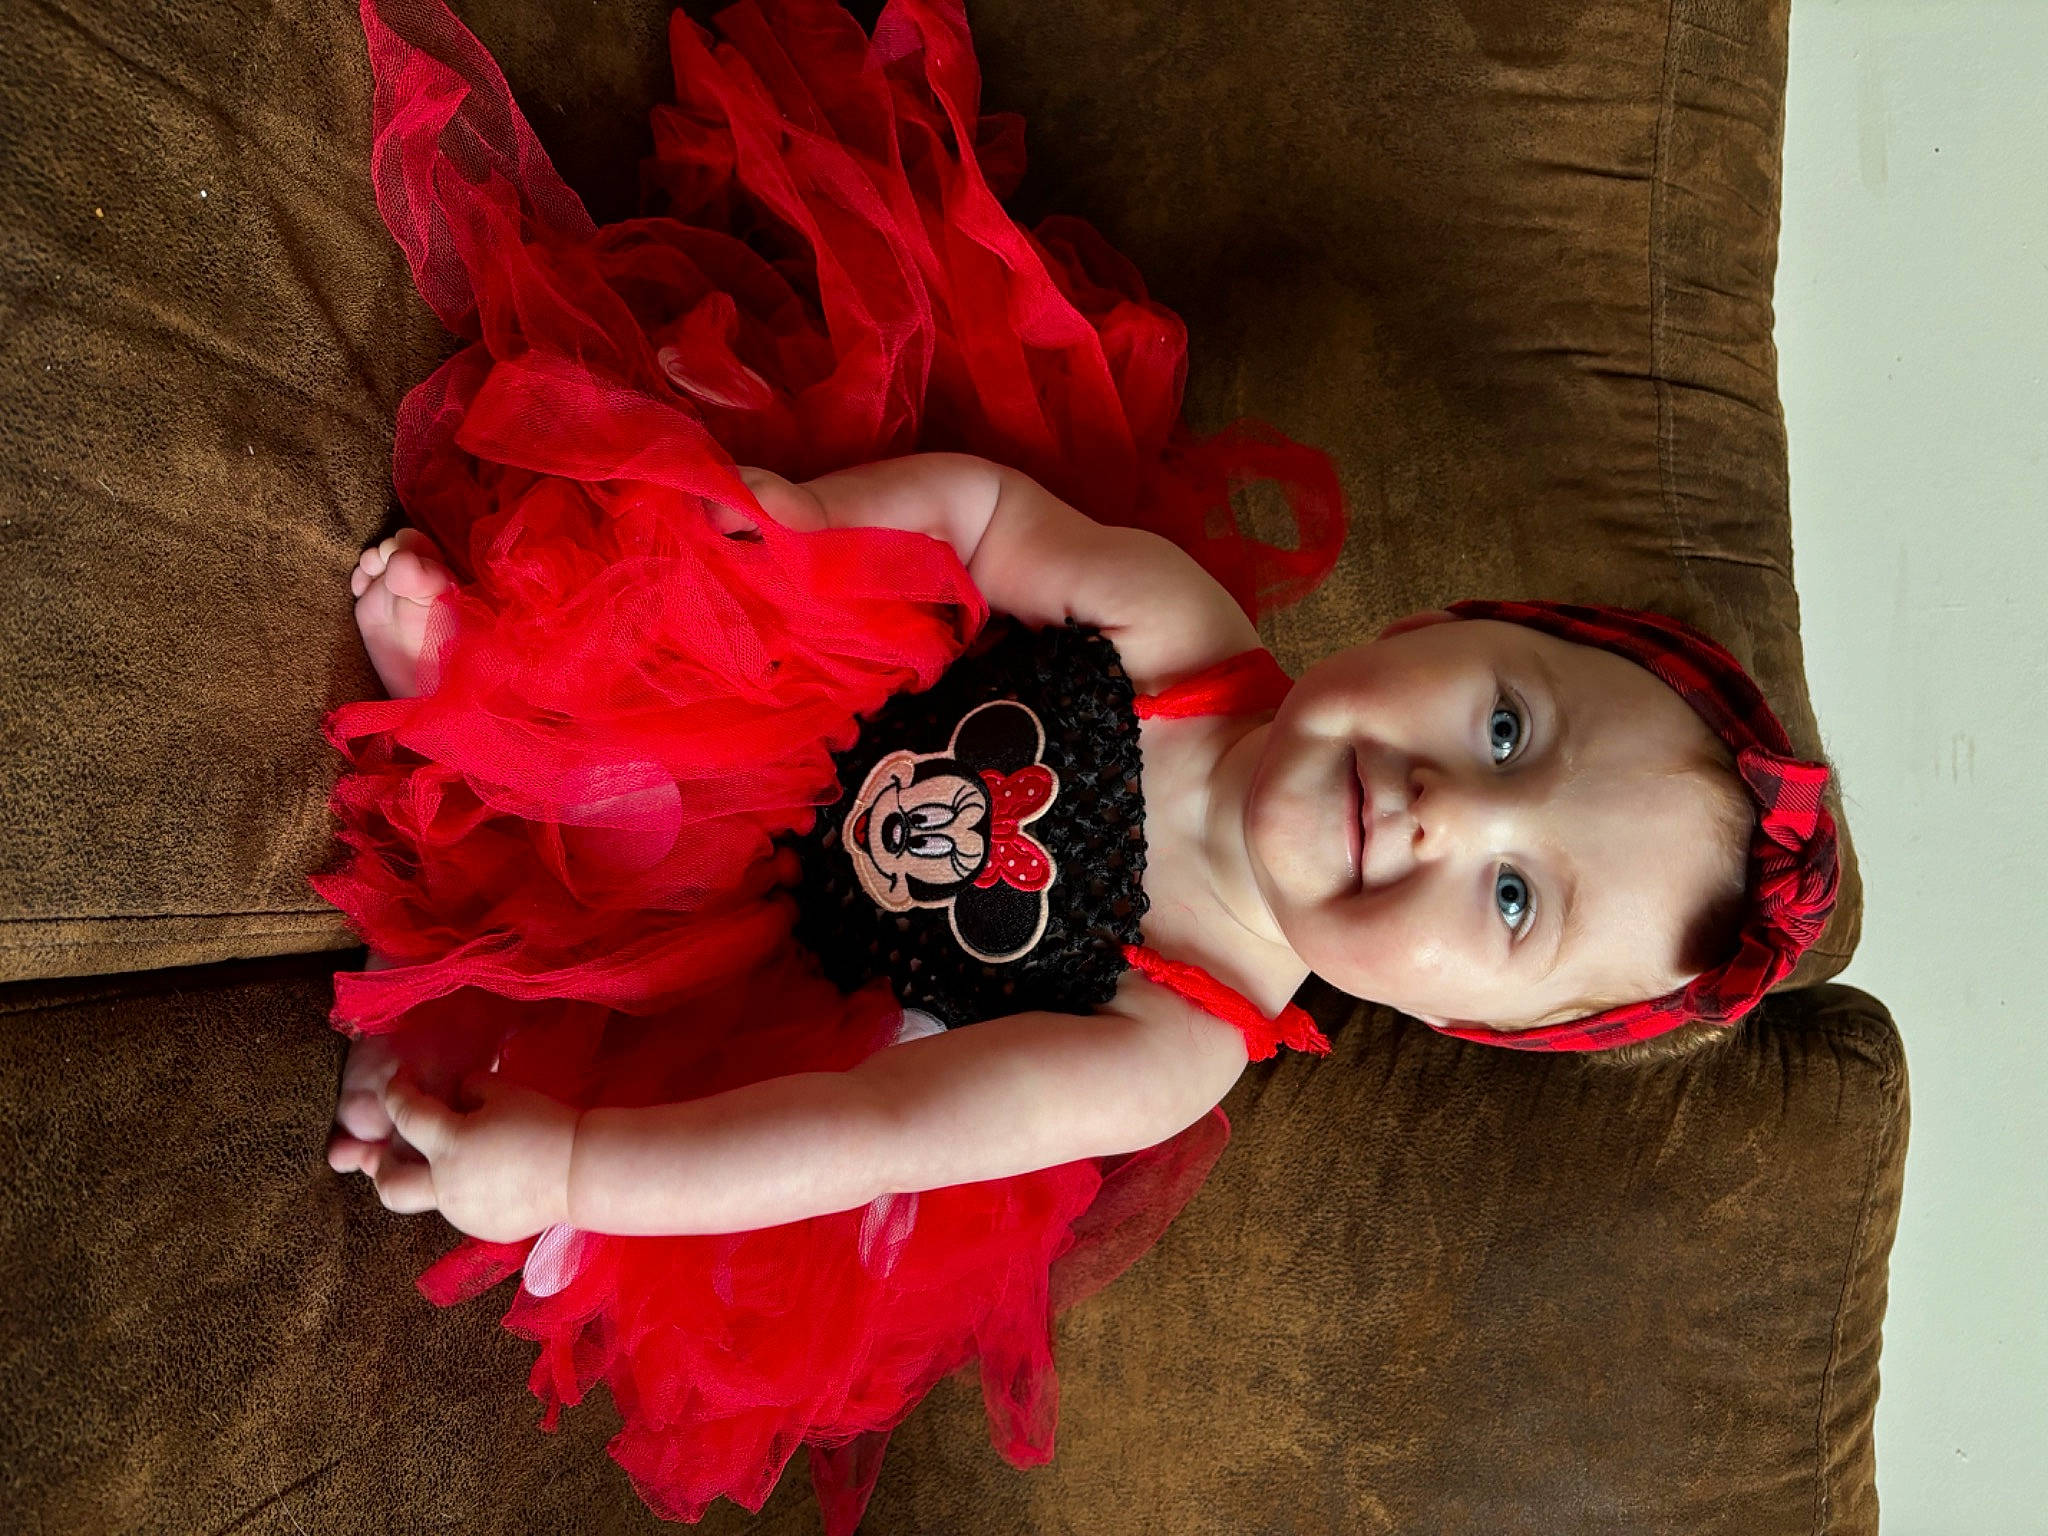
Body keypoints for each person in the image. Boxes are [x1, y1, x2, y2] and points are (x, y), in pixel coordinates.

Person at [319, 0, 1839, 1530]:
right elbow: (982, 518)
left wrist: (579, 1170)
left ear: (1453, 1018)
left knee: (643, 957)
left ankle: (502, 1010)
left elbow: (876, 1132)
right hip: (817, 722)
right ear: (1451, 621)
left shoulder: (1172, 1044)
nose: (1457, 805)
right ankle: (518, 702)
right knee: (720, 569)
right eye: (1509, 727)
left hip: (798, 997)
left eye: (1515, 899)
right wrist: (793, 523)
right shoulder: (1188, 639)